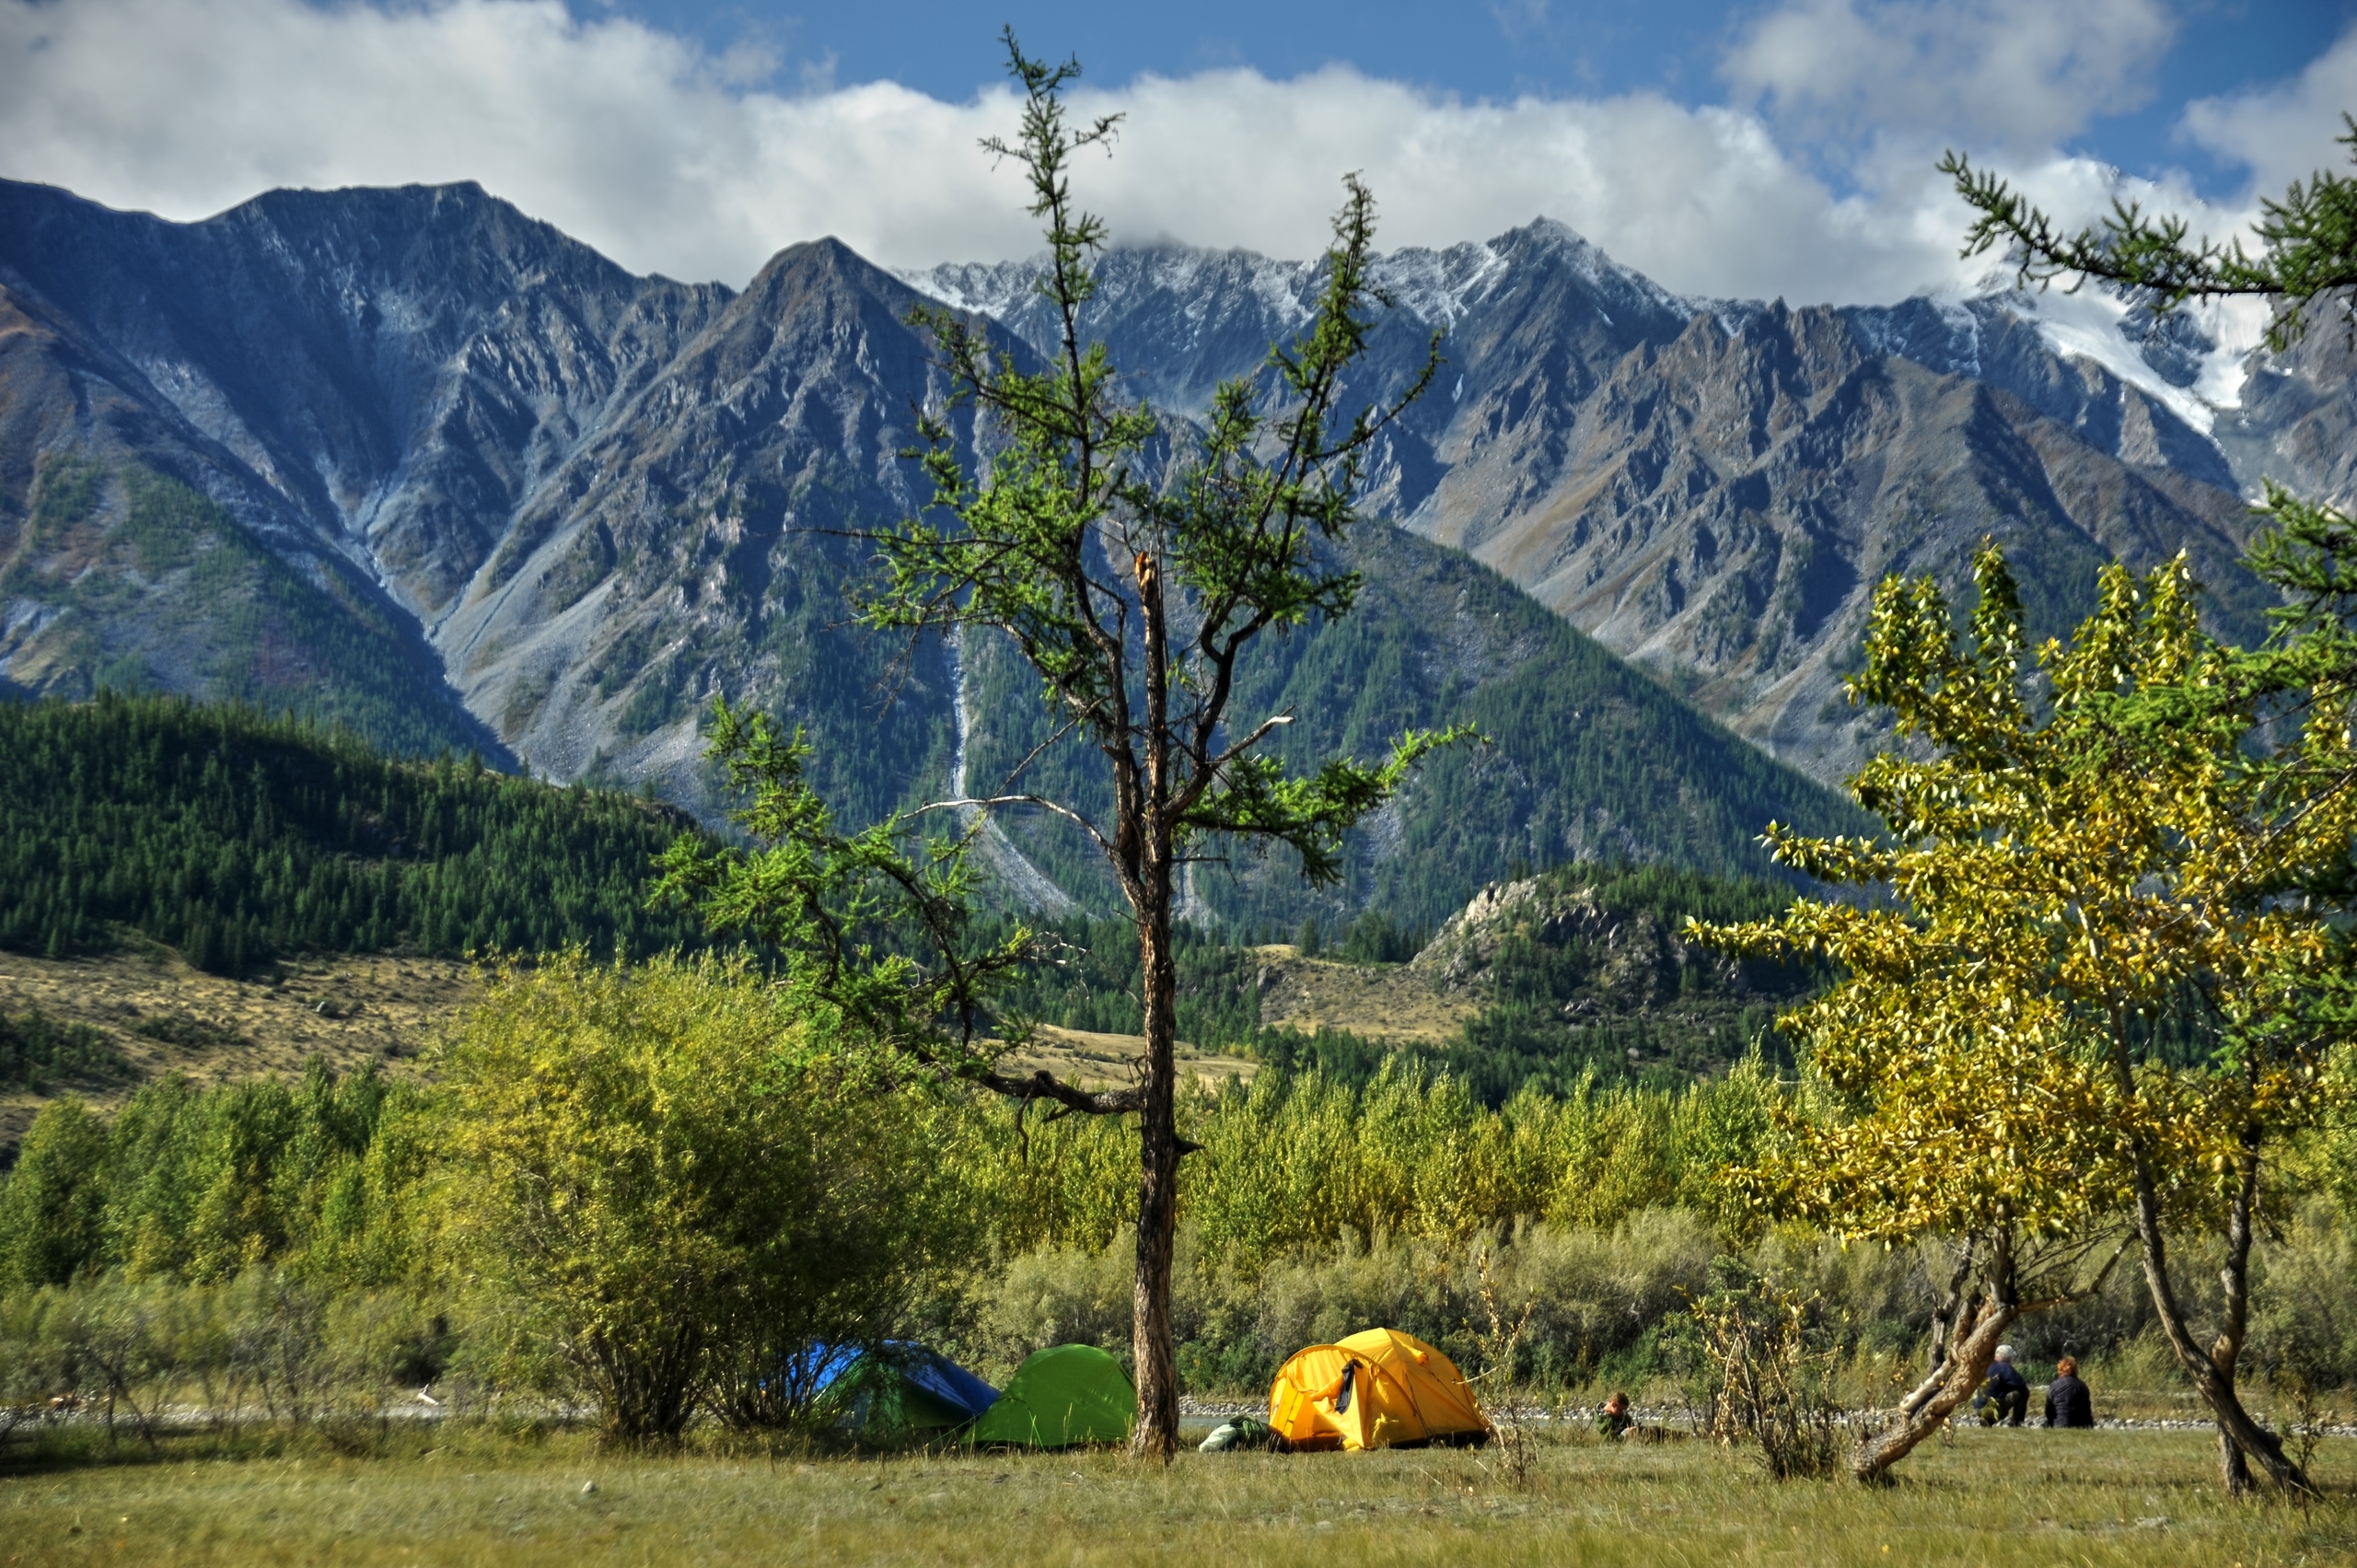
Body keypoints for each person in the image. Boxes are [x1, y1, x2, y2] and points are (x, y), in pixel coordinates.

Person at [1975, 1345, 2030, 1426]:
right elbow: (2020, 1383)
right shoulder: (2004, 1367)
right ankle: (2016, 1422)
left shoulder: (1987, 1366)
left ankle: (1987, 1421)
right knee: (2023, 1392)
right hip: (1991, 1408)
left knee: (2004, 1412)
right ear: (2007, 1357)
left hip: (1978, 1407)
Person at [2045, 1356, 2094, 1428]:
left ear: (2060, 1369)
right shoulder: (2082, 1386)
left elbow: (2049, 1411)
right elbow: (2087, 1410)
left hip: (2059, 1423)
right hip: (2080, 1425)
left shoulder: (2054, 1386)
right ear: (2075, 1370)